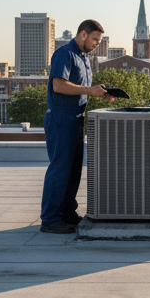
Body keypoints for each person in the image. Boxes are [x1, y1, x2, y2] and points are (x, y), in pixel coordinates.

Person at [39, 20, 115, 233]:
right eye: (95, 39)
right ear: (83, 34)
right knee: (60, 168)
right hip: (61, 117)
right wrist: (90, 90)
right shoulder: (65, 54)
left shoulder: (83, 58)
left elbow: (80, 88)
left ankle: (67, 213)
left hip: (76, 118)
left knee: (73, 170)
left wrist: (99, 92)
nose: (97, 44)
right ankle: (50, 220)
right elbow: (58, 85)